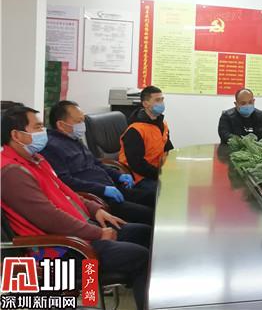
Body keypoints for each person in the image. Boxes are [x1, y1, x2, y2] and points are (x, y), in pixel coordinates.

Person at [0, 106, 150, 309]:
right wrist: (98, 233)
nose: (43, 132)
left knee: (145, 234)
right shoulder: (12, 173)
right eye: (37, 127)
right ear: (16, 135)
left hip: (80, 233)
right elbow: (50, 218)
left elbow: (67, 192)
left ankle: (94, 297)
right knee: (142, 257)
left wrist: (94, 209)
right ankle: (91, 299)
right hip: (62, 250)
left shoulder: (36, 160)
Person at [41, 100, 154, 225]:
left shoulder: (74, 139)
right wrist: (103, 189)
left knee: (154, 197)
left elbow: (96, 163)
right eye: (78, 121)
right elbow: (65, 181)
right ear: (61, 125)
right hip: (99, 199)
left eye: (83, 120)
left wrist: (118, 176)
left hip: (113, 187)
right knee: (151, 215)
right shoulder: (52, 147)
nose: (82, 125)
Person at [119, 86, 173, 189]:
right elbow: (137, 165)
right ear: (145, 104)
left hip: (156, 172)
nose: (161, 103)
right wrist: (160, 174)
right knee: (168, 189)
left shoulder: (162, 124)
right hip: (138, 177)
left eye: (162, 99)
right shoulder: (135, 130)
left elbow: (168, 149)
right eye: (157, 100)